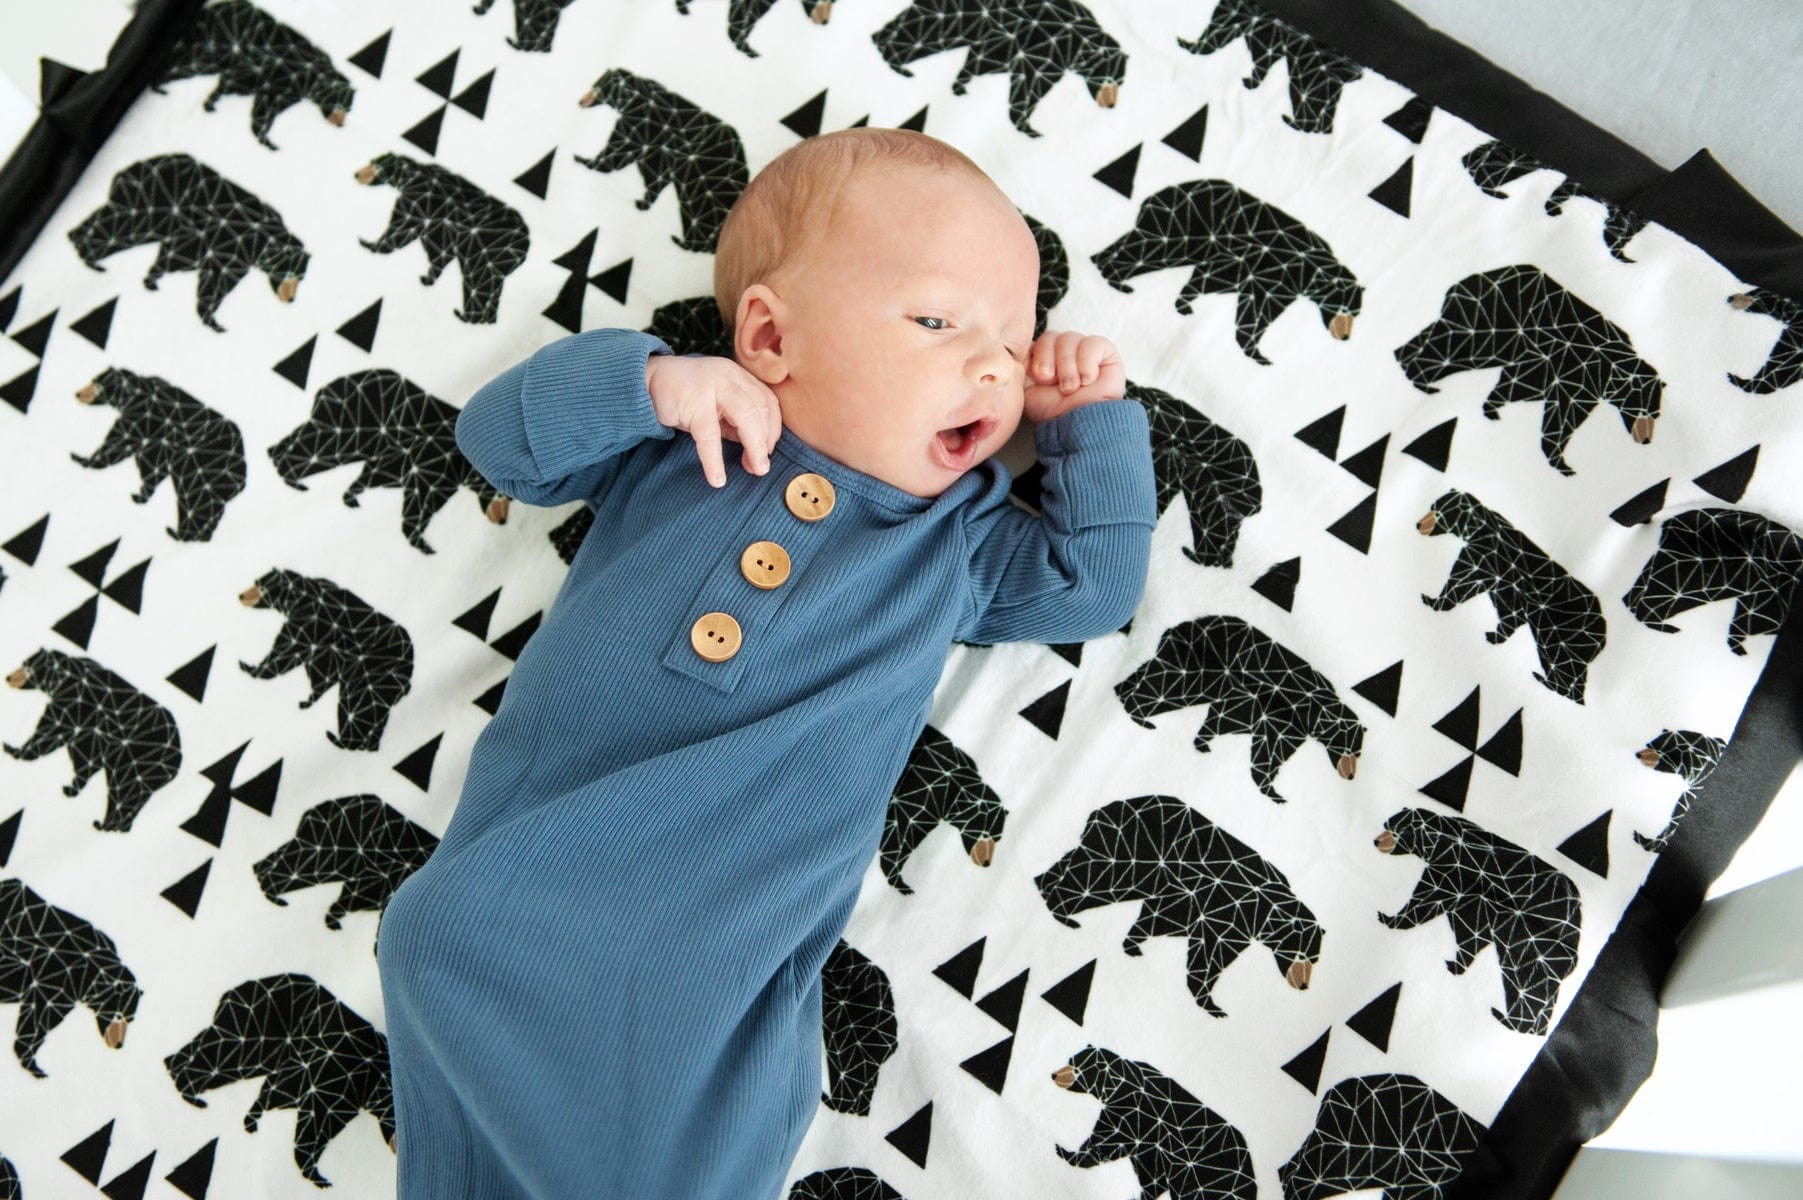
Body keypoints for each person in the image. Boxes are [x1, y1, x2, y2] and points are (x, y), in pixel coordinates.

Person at [375, 126, 1158, 1199]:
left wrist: (1088, 428)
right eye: (937, 321)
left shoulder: (954, 545)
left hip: (715, 950)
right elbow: (499, 443)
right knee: (444, 970)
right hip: (514, 893)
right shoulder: (678, 440)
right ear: (769, 336)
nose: (991, 363)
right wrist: (647, 384)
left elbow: (1092, 586)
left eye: (1014, 345)